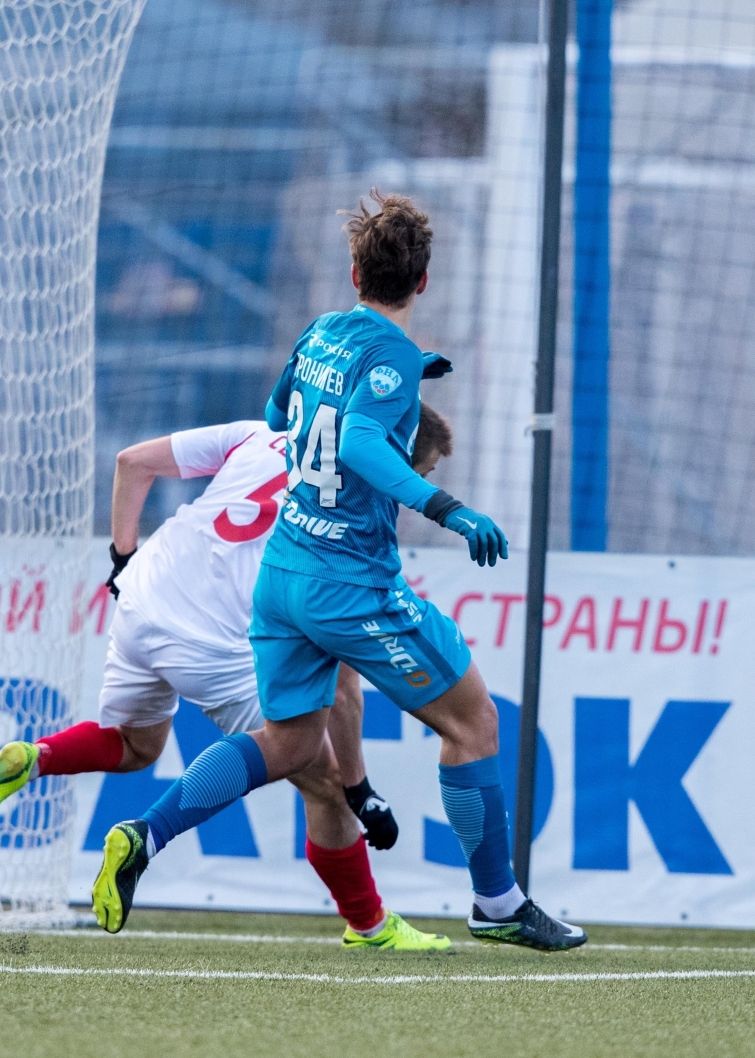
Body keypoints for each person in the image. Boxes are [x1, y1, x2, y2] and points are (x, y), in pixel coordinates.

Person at [89, 191, 588, 952]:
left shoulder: (322, 332)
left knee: (291, 745)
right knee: (474, 722)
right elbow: (355, 441)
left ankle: (145, 835)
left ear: (355, 273)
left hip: (282, 573)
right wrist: (448, 508)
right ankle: (498, 902)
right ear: (424, 282)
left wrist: (391, 379)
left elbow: (280, 416)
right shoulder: (391, 358)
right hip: (347, 581)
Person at [0, 402, 454, 949]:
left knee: (134, 745)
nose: (416, 493)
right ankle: (367, 924)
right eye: (420, 474)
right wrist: (360, 789)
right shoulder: (352, 517)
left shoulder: (263, 433)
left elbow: (132, 463)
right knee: (322, 777)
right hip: (213, 638)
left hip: (143, 595)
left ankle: (35, 757)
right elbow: (344, 688)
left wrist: (122, 559)